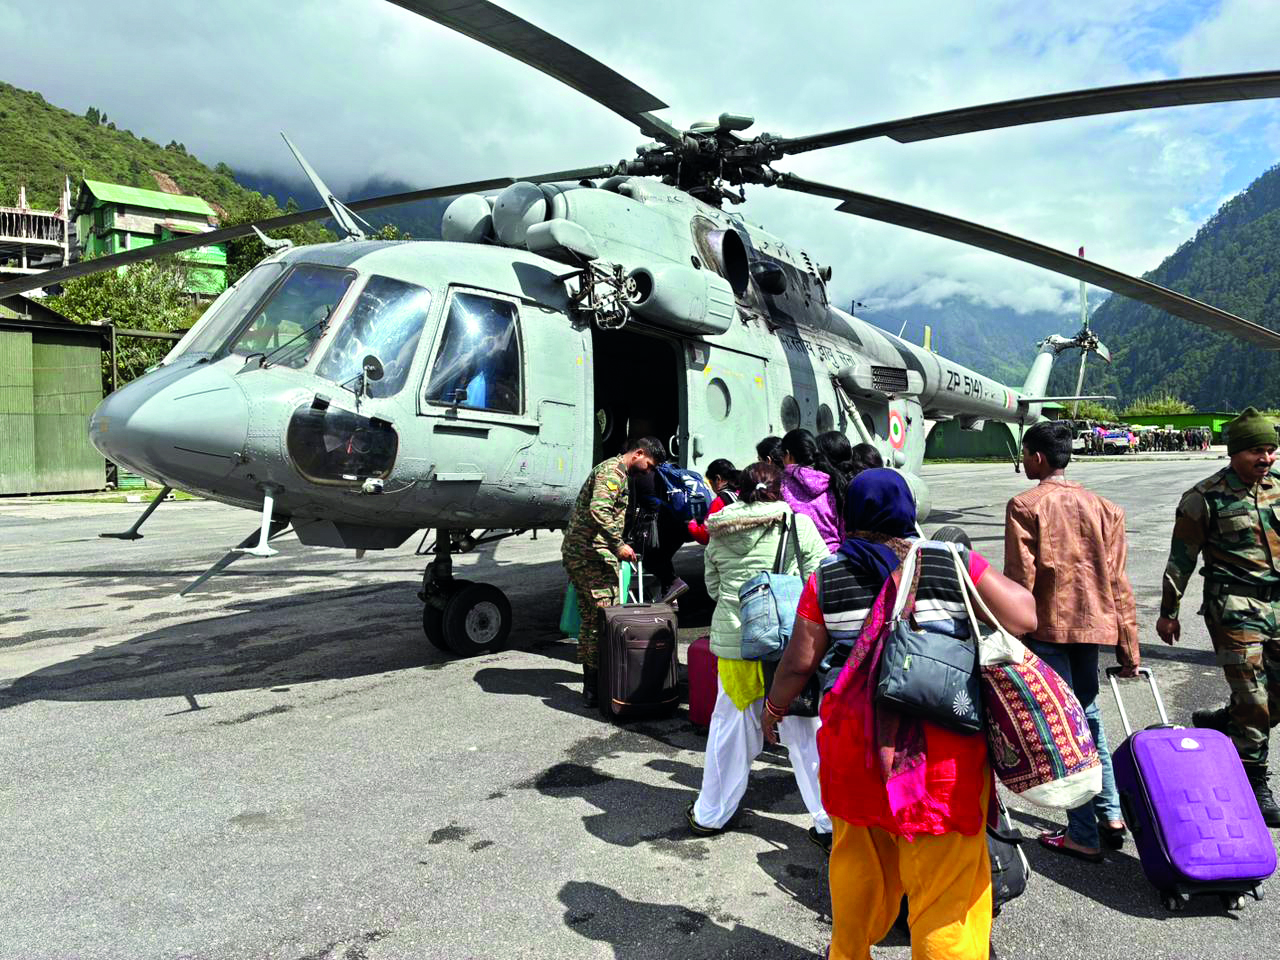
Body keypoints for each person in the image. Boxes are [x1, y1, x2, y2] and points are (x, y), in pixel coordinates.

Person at [763, 469, 1037, 960]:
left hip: (855, 752)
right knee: (943, 895)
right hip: (940, 758)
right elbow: (1024, 616)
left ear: (850, 515)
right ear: (909, 510)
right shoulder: (948, 561)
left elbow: (800, 662)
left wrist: (773, 708)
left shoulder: (827, 576)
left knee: (857, 871)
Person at [1004, 420, 1139, 861]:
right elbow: (1118, 583)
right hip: (1093, 629)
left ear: (1038, 457)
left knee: (1066, 732)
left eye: (1025, 455)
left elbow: (1020, 581)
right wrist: (1129, 646)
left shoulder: (1025, 506)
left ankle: (1082, 832)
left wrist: (1010, 638)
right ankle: (1111, 814)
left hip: (1047, 630)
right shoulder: (1106, 508)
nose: (1024, 462)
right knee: (1090, 715)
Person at [687, 462, 832, 844]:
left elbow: (714, 588)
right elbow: (819, 580)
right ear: (779, 490)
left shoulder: (719, 531)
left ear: (741, 489)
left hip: (737, 645)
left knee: (730, 731)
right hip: (788, 645)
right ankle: (829, 824)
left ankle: (710, 815)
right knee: (805, 734)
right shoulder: (798, 525)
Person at [1157, 407, 1280, 826]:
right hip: (1234, 608)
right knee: (1254, 698)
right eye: (1257, 451)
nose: (1266, 459)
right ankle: (1253, 780)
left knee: (1270, 697)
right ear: (1235, 452)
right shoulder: (1204, 497)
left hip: (1278, 603)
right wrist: (1169, 613)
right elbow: (1181, 560)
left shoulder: (1278, 487)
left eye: (1271, 450)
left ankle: (1225, 721)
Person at [562, 437, 663, 707]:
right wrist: (618, 545)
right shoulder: (612, 472)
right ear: (638, 453)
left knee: (593, 619)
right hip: (589, 555)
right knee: (604, 617)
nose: (648, 472)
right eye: (649, 465)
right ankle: (598, 687)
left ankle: (594, 688)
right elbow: (599, 510)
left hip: (588, 553)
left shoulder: (617, 472)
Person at [780, 428, 846, 551]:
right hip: (835, 555)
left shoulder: (782, 485)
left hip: (802, 557)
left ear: (788, 455)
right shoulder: (831, 480)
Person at [687, 458, 740, 546]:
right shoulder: (746, 492)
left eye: (710, 482)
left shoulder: (719, 502)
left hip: (730, 551)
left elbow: (705, 536)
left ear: (718, 479)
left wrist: (692, 524)